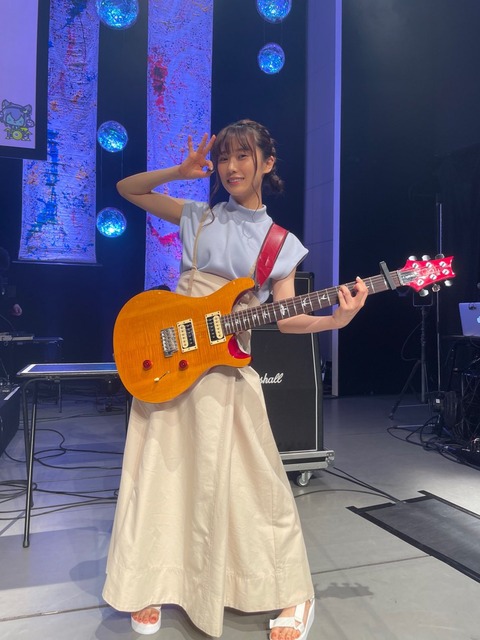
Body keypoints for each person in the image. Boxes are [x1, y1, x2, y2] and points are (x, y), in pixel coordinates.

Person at [102, 119, 368, 639]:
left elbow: (287, 317)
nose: (231, 166)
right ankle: (150, 580)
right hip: (169, 363)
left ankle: (292, 593)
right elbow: (128, 189)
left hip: (224, 371)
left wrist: (335, 320)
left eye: (243, 156)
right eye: (224, 157)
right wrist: (179, 172)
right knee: (160, 477)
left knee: (257, 485)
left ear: (267, 163)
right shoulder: (198, 216)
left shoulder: (279, 243)